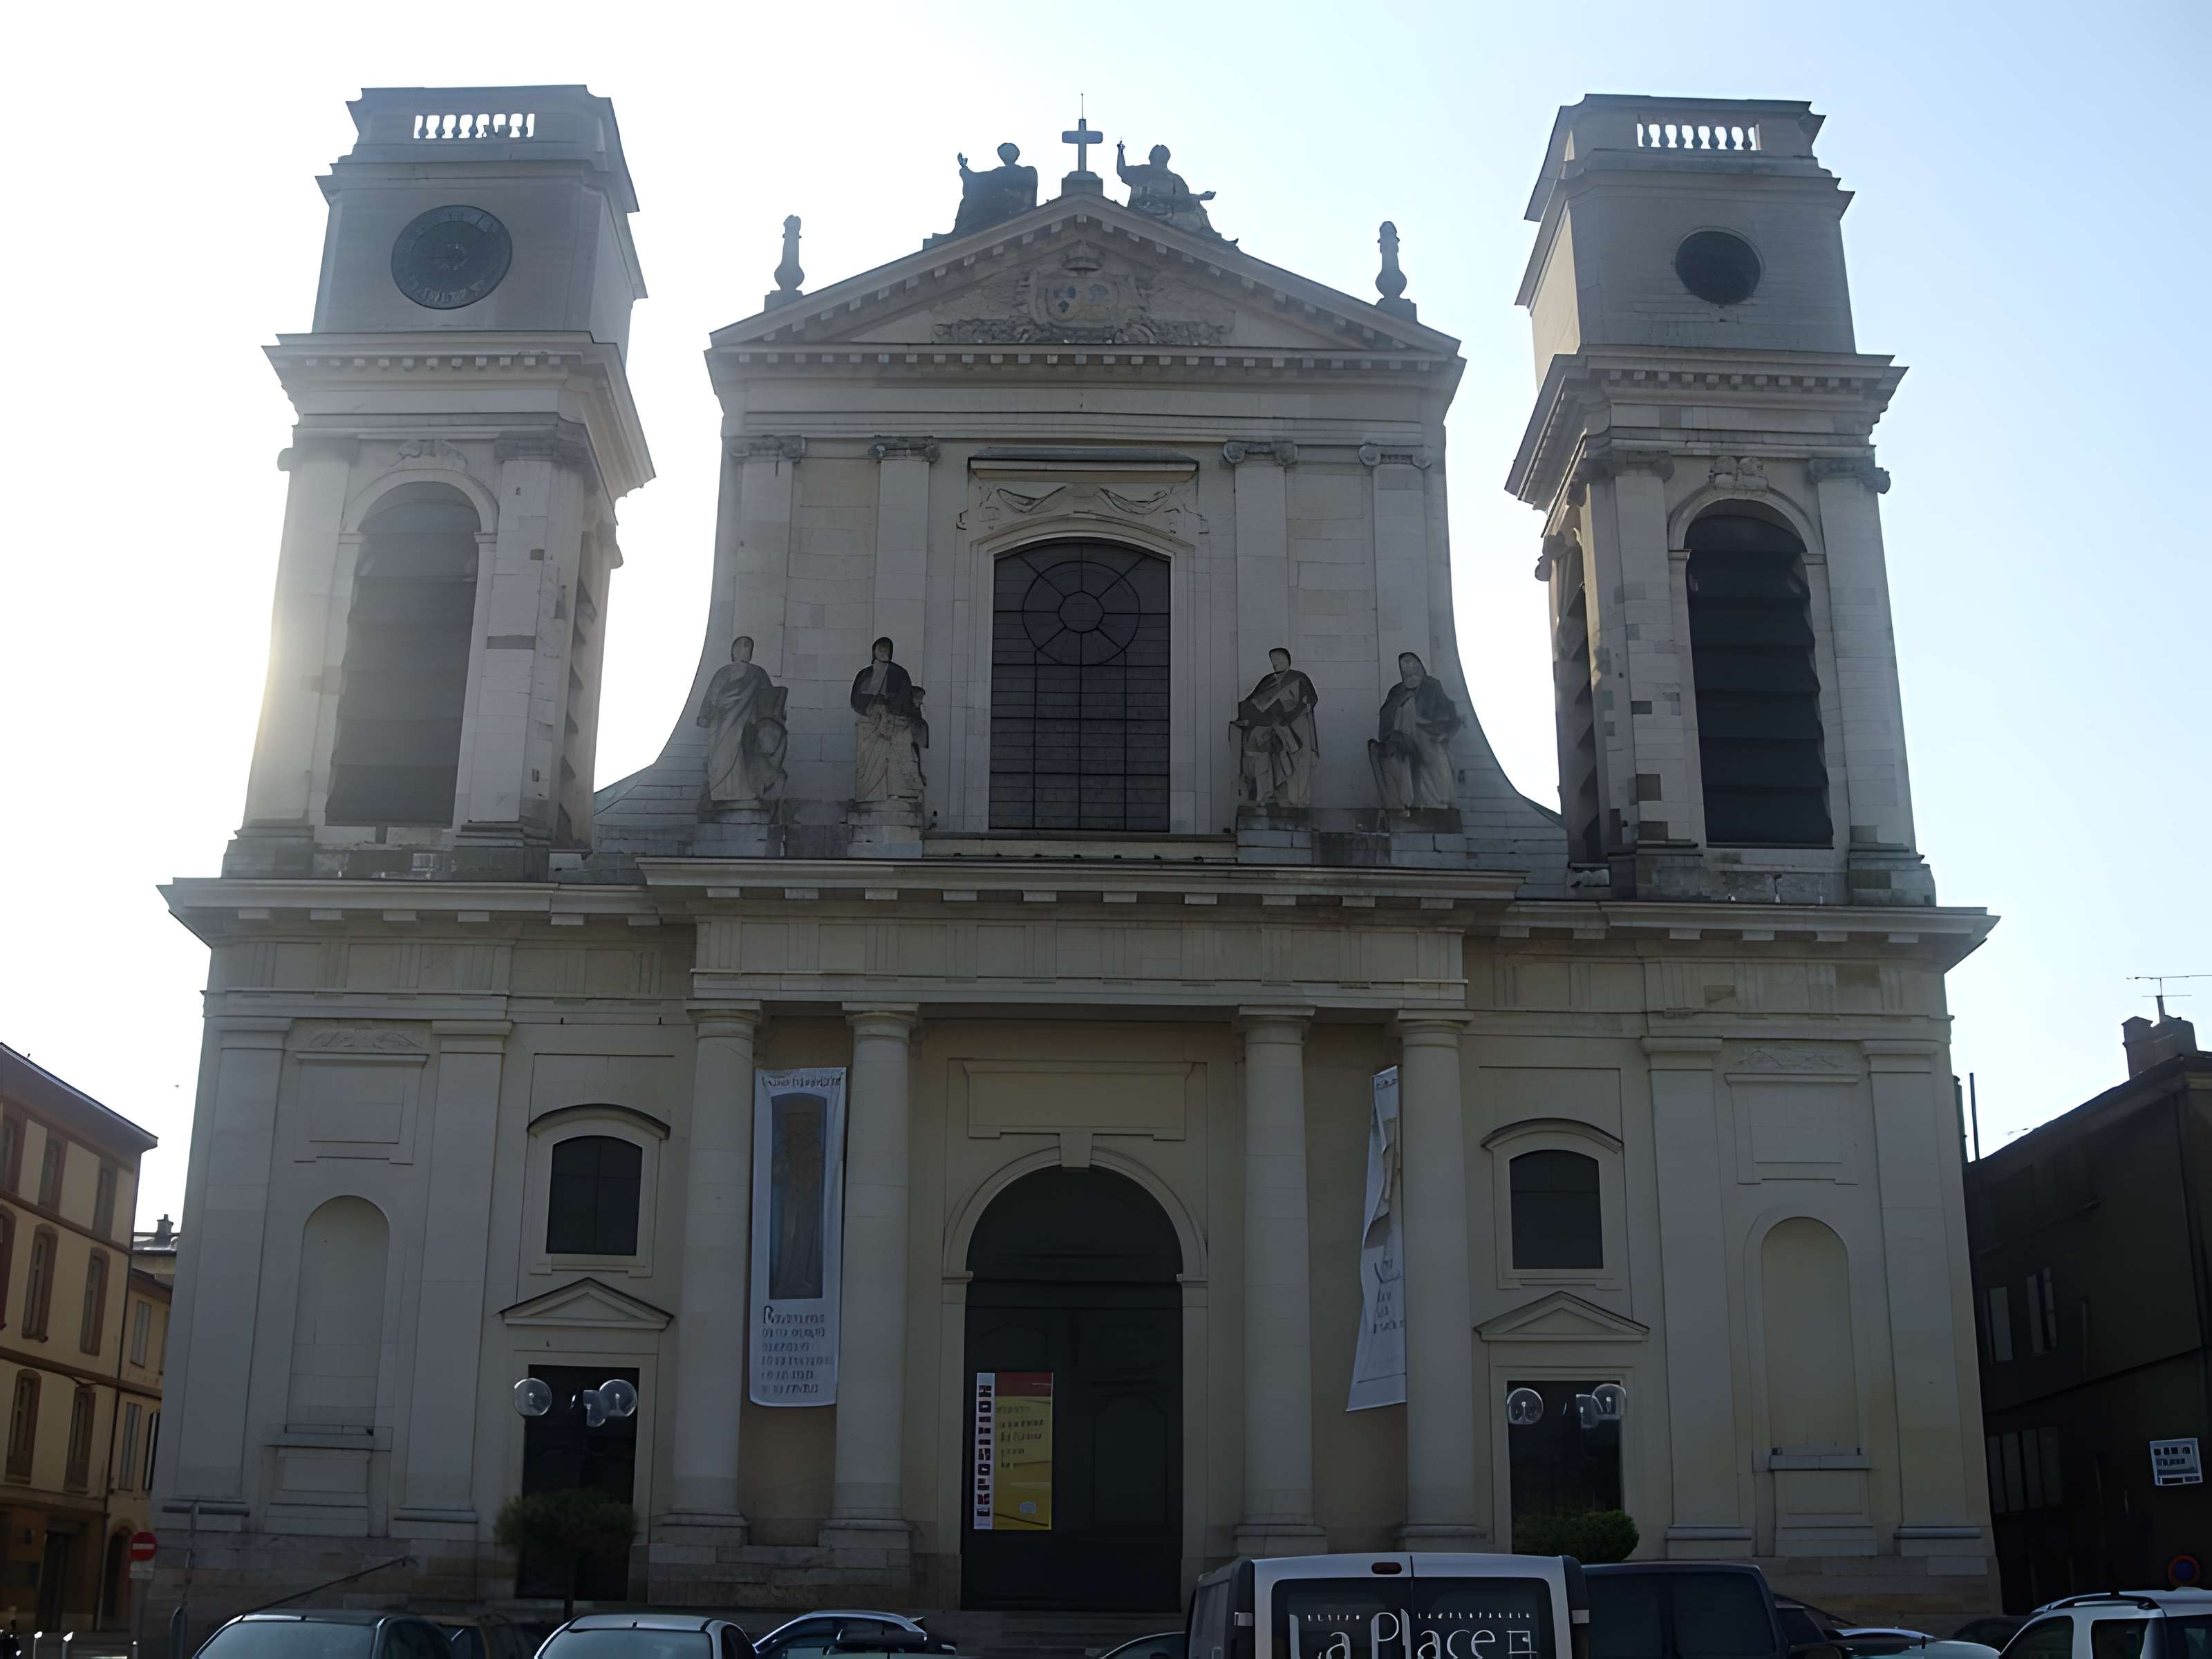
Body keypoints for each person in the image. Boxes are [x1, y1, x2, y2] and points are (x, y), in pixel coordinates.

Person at [695, 635, 787, 807]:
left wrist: (777, 713)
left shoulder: (757, 673)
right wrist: (705, 715)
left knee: (742, 750)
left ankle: (743, 791)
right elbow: (711, 696)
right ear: (733, 650)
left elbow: (768, 697)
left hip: (746, 719)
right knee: (720, 757)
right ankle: (720, 791)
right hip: (721, 721)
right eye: (739, 646)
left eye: (747, 646)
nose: (743, 649)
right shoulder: (723, 672)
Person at [1368, 651, 1462, 810]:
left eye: (1414, 664)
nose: (1411, 669)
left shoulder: (1433, 686)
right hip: (1404, 739)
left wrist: (1431, 728)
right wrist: (1400, 703)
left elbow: (1447, 715)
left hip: (1431, 736)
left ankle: (1440, 800)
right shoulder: (1397, 691)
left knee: (1435, 759)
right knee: (1398, 761)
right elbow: (1386, 718)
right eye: (1406, 666)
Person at [1231, 647, 1321, 808]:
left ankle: (1299, 798)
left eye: (1279, 659)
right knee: (1279, 762)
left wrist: (1291, 715)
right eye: (1273, 660)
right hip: (1276, 728)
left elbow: (1308, 700)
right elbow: (1254, 702)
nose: (1276, 663)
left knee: (1300, 761)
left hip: (1297, 724)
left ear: (1287, 659)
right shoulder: (1268, 681)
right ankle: (1279, 796)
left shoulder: (1298, 678)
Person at [850, 637, 928, 802]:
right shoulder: (864, 674)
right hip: (869, 723)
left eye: (886, 648)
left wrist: (887, 706)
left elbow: (904, 697)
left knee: (900, 743)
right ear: (874, 650)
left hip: (893, 721)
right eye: (880, 648)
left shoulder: (899, 673)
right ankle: (869, 793)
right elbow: (855, 698)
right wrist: (872, 706)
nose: (883, 651)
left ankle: (898, 790)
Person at [1115, 142, 1217, 234]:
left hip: (1168, 215)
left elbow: (1183, 198)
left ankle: (1209, 236)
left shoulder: (1176, 179)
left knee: (1197, 211)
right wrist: (1120, 152)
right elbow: (1122, 171)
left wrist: (1200, 197)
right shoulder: (1143, 171)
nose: (1159, 158)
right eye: (1157, 155)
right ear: (1151, 157)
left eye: (1161, 155)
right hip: (1144, 210)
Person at [953, 143, 1038, 236]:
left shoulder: (1027, 171)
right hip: (999, 204)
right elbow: (981, 180)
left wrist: (967, 173)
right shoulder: (999, 172)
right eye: (1004, 153)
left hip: (1013, 205)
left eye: (1008, 152)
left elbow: (982, 180)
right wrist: (965, 169)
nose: (1006, 155)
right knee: (965, 204)